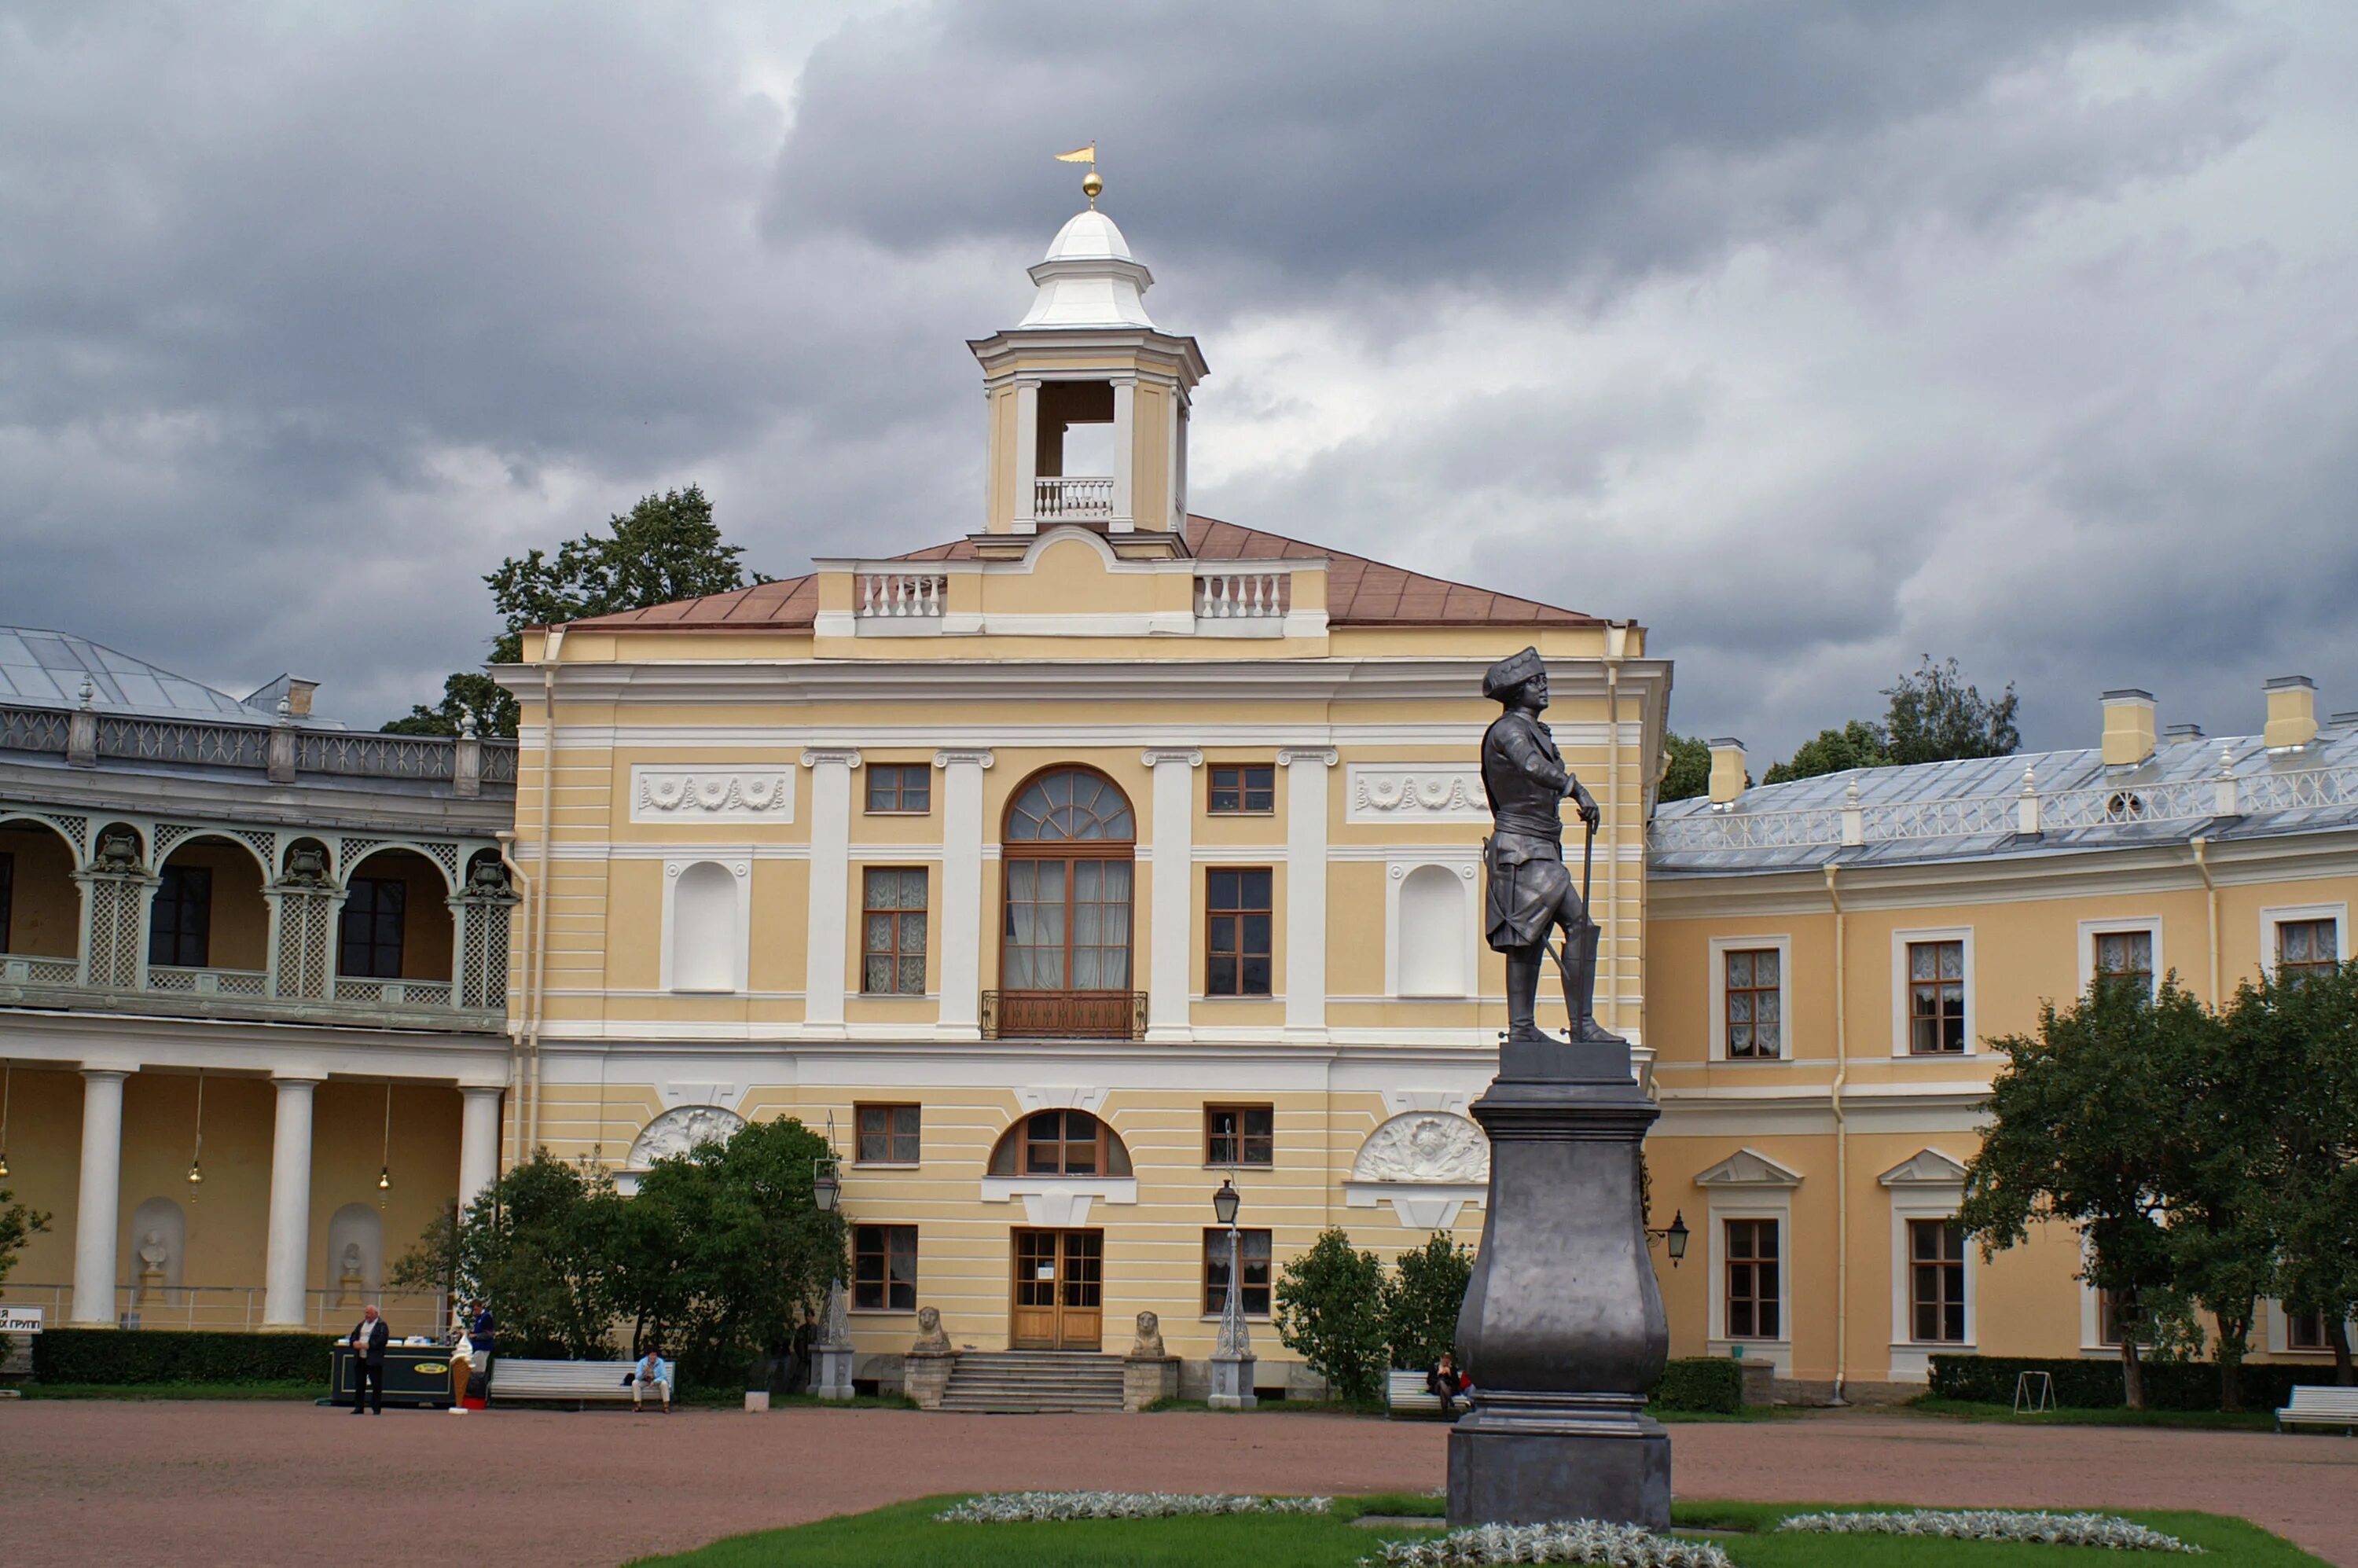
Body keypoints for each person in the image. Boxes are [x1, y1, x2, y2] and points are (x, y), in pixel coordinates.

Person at [1479, 646, 1612, 1044]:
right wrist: (1575, 788)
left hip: (1540, 845)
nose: (1544, 687)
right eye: (1536, 682)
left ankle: (1578, 1025)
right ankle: (1529, 1029)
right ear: (1518, 691)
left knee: (1574, 929)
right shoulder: (1508, 730)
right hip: (1520, 848)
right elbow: (1531, 767)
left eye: (1543, 679)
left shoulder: (1534, 730)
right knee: (1531, 936)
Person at [348, 1304, 390, 1416]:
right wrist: (353, 1343)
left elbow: (382, 1340)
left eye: (369, 1313)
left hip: (374, 1360)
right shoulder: (361, 1325)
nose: (367, 1315)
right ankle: (359, 1407)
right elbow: (353, 1336)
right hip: (361, 1358)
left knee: (376, 1384)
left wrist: (369, 1345)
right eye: (366, 1313)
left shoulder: (382, 1326)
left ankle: (376, 1408)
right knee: (359, 1384)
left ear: (376, 1314)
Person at [1427, 1350, 1473, 1419]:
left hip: (1449, 1389)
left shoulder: (1452, 1368)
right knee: (1441, 1382)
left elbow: (1457, 1382)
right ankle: (1450, 1400)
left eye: (1448, 1359)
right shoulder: (1435, 1367)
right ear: (1441, 1359)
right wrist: (1438, 1375)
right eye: (1445, 1358)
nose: (1446, 1361)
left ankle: (1445, 1415)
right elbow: (1429, 1381)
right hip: (1436, 1388)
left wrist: (1450, 1374)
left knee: (1443, 1392)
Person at [631, 1347, 673, 1413]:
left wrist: (655, 1381)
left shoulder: (660, 1362)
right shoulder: (642, 1362)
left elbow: (664, 1375)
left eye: (655, 1355)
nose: (653, 1357)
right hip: (645, 1381)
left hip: (657, 1381)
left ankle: (666, 1407)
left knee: (664, 1383)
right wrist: (643, 1372)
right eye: (652, 1355)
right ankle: (638, 1406)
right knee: (635, 1383)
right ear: (648, 1356)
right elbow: (637, 1377)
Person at [787, 1309, 817, 1396]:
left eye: (810, 1316)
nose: (808, 1318)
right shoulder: (802, 1329)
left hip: (812, 1356)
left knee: (812, 1376)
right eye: (807, 1316)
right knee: (798, 1374)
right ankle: (790, 1391)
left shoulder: (816, 1329)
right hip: (803, 1356)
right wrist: (800, 1354)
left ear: (813, 1317)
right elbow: (797, 1343)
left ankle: (811, 1392)